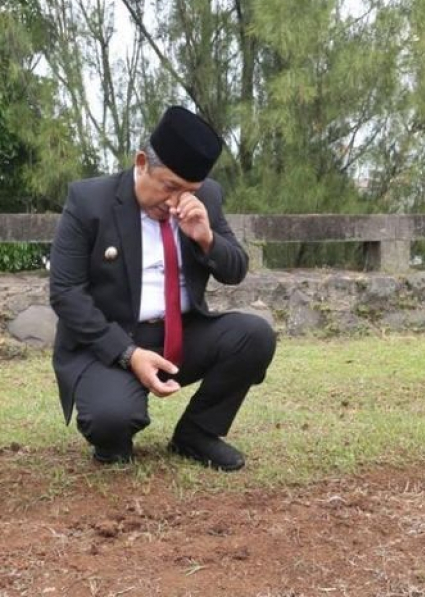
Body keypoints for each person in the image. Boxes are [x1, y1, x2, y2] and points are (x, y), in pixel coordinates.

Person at [49, 105, 277, 471]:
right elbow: (65, 292)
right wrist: (128, 354)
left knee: (254, 335)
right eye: (169, 186)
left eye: (188, 191)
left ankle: (197, 434)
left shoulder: (206, 199)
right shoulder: (89, 201)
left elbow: (236, 269)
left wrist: (206, 238)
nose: (175, 202)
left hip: (181, 334)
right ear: (142, 162)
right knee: (112, 421)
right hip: (113, 340)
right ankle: (114, 434)